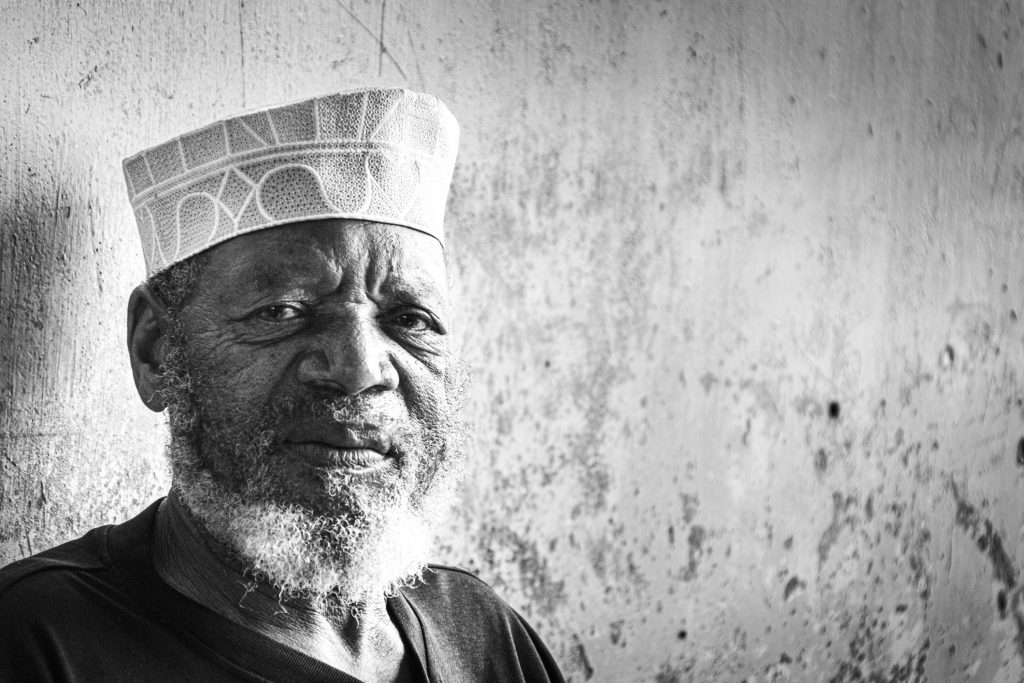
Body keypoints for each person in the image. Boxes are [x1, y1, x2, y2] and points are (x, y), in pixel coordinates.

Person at [0, 87, 564, 683]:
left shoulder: (481, 632)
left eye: (410, 320)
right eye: (283, 312)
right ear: (157, 350)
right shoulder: (36, 640)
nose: (359, 371)